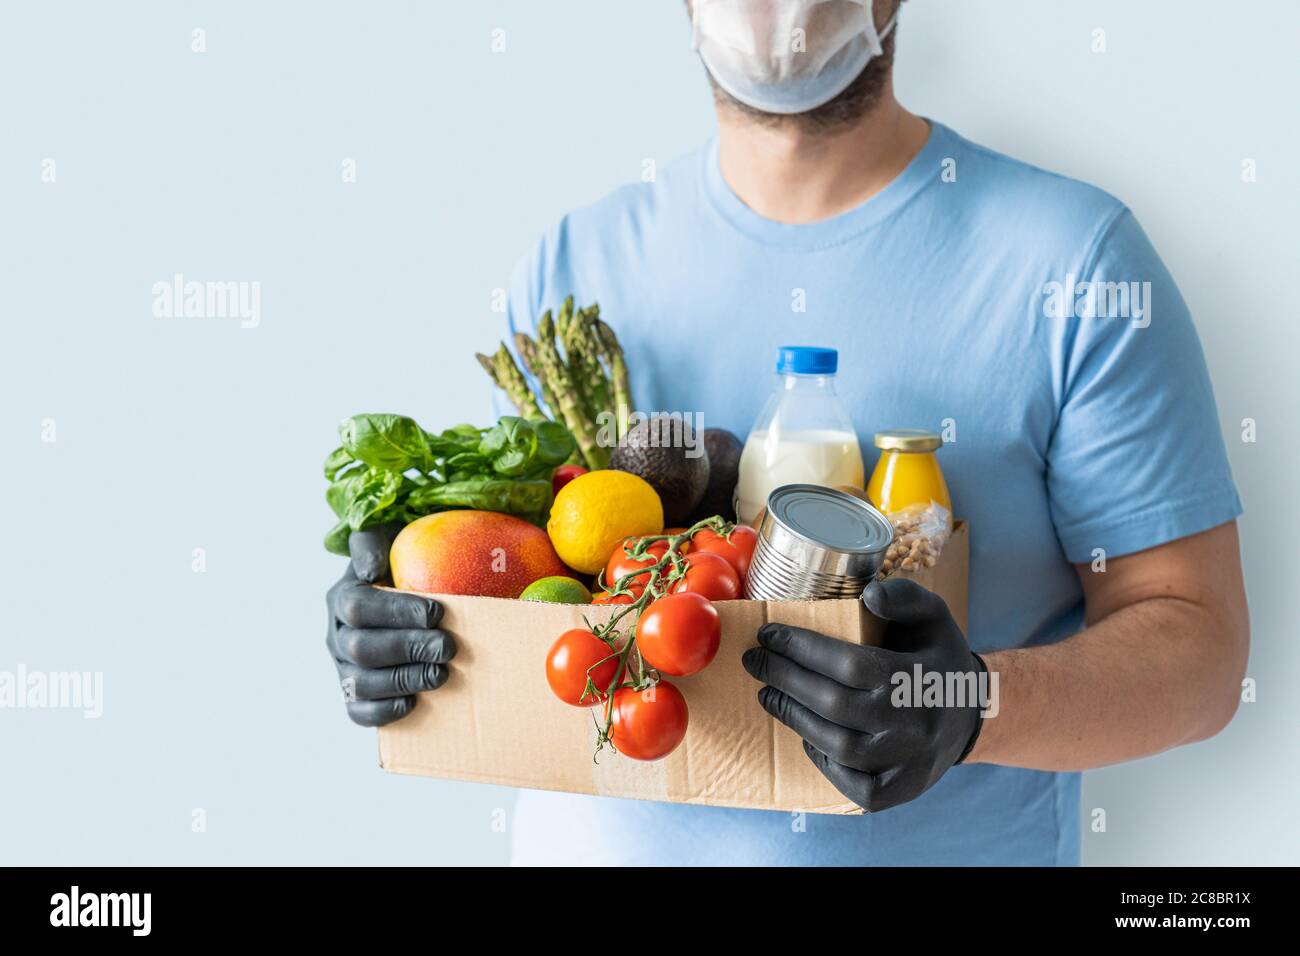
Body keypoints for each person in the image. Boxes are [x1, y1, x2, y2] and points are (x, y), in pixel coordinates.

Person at [325, 0, 1248, 865]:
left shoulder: (1072, 262)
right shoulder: (577, 262)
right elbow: (531, 585)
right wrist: (414, 620)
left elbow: (1200, 655)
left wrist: (967, 705)